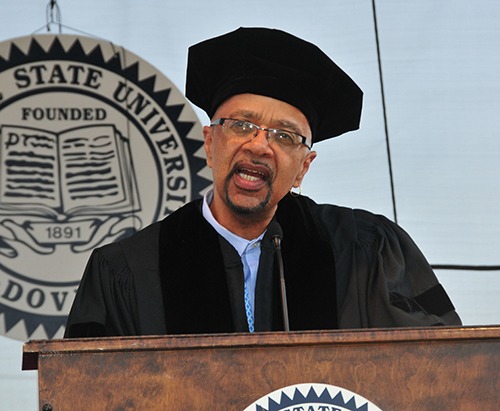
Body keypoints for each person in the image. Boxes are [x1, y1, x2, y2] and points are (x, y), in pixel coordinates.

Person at [64, 27, 461, 338]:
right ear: (209, 142)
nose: (260, 145)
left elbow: (439, 369)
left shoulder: (366, 254)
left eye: (285, 136)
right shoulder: (126, 270)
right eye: (241, 125)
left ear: (304, 167)